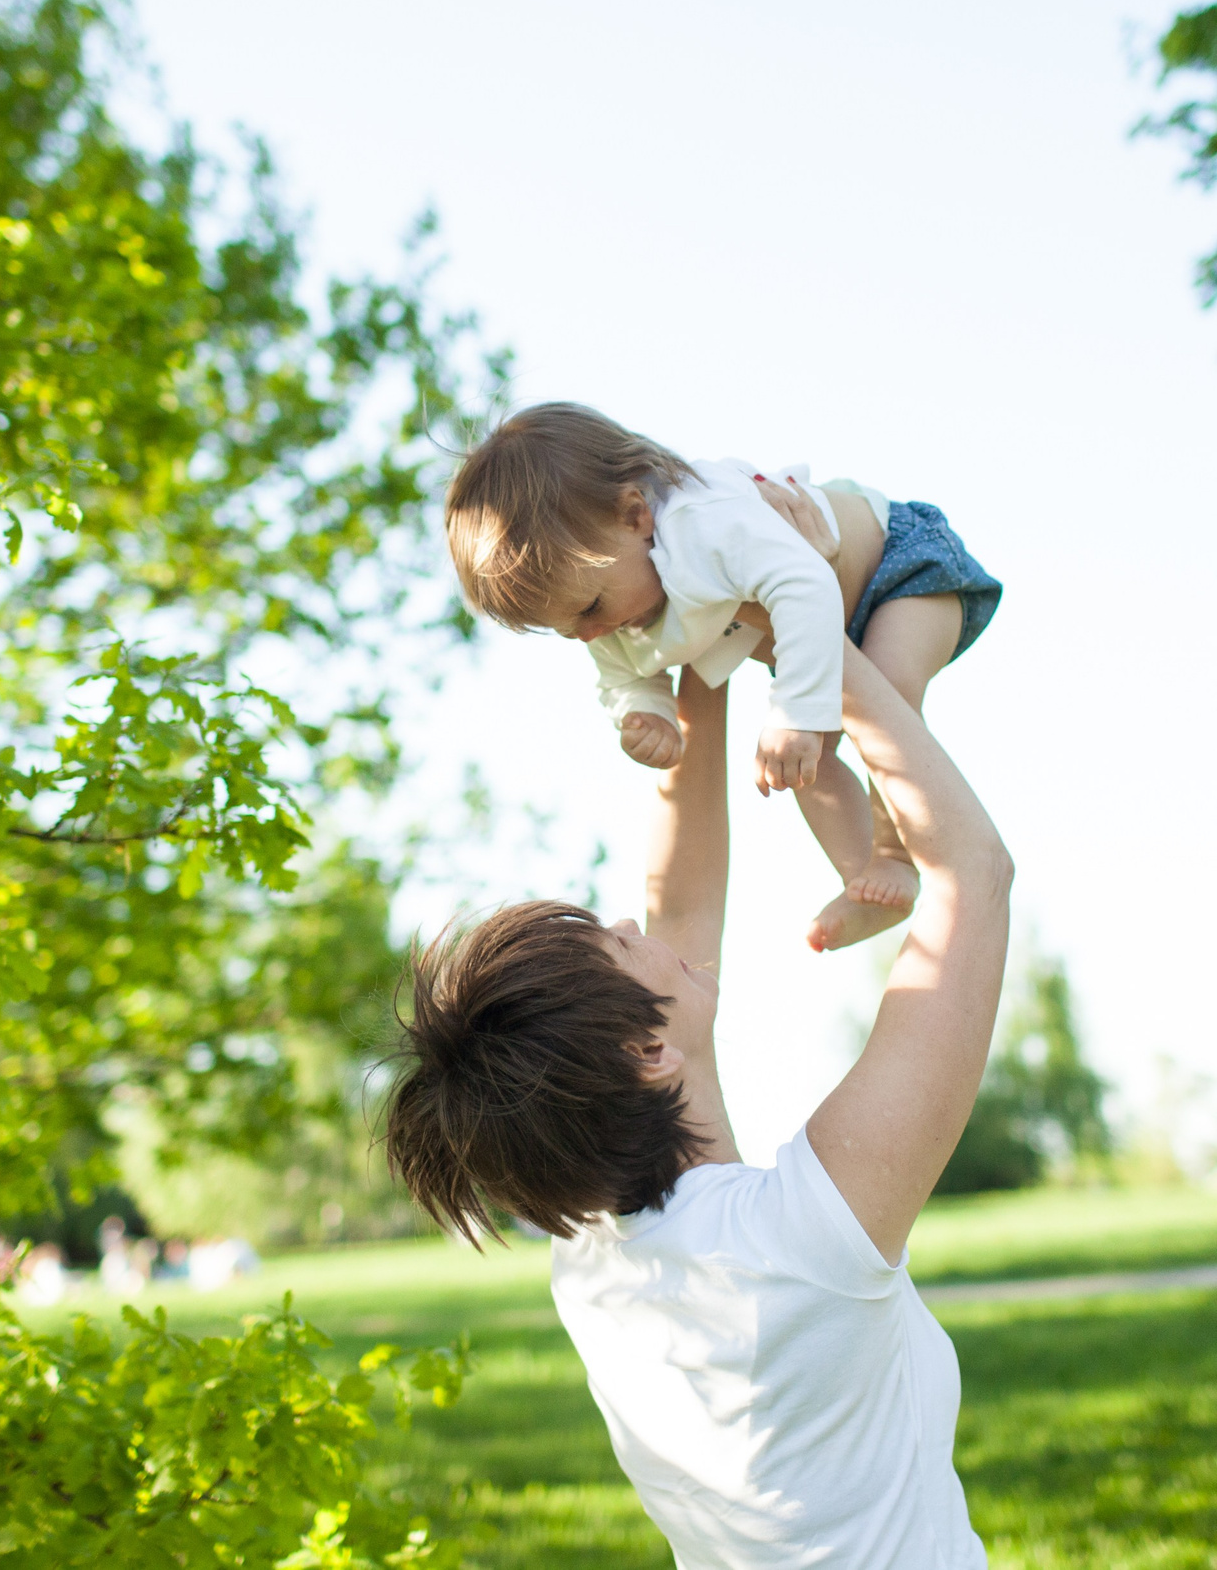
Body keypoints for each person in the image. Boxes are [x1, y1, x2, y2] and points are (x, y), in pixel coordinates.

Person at [383, 619, 1013, 1567]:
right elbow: (973, 877)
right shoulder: (807, 1240)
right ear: (647, 1052)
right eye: (618, 939)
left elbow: (678, 902)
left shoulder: (599, 1267)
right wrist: (806, 635)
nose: (640, 918)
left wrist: (699, 643)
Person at [442, 401, 1001, 951]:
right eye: (567, 631)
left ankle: (898, 856)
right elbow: (625, 677)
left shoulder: (704, 524)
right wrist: (647, 715)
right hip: (817, 635)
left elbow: (803, 583)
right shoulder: (610, 604)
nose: (590, 635)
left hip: (899, 569)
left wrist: (794, 712)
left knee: (888, 693)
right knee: (807, 763)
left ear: (636, 515)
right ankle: (868, 881)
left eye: (588, 609)